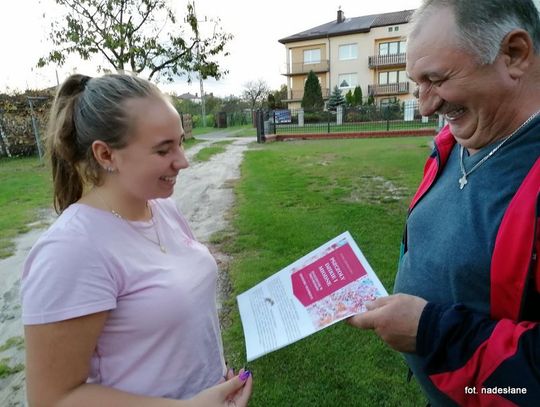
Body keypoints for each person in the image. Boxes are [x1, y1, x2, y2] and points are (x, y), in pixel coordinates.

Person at [348, 0, 540, 405]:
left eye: (436, 79)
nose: (425, 105)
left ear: (515, 55)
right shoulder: (452, 145)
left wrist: (429, 332)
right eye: (417, 82)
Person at [21, 73, 252, 406]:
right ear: (105, 155)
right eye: (163, 150)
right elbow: (52, 399)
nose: (183, 161)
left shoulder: (163, 210)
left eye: (181, 141)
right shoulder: (71, 250)